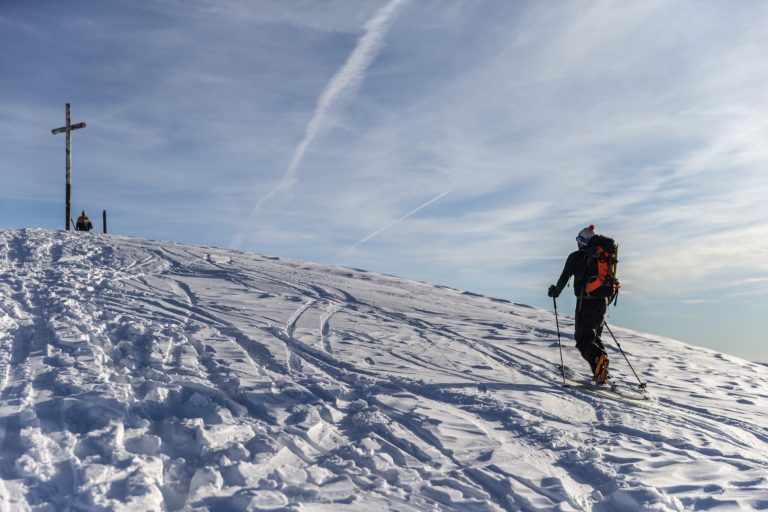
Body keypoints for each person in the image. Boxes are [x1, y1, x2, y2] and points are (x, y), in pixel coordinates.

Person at [548, 225, 610, 384]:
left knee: (582, 339)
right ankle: (600, 372)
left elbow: (564, 278)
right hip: (602, 302)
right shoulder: (602, 257)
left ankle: (599, 360)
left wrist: (555, 292)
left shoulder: (576, 257)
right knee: (594, 337)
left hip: (585, 301)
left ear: (581, 242)